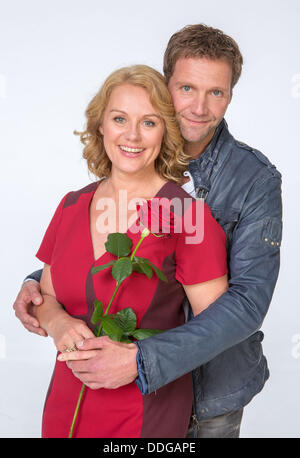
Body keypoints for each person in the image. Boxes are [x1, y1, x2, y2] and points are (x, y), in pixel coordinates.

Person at [14, 24, 282, 438]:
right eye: (187, 88)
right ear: (165, 85)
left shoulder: (251, 180)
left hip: (209, 388)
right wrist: (42, 295)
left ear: (231, 96)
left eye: (217, 92)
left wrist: (141, 361)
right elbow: (92, 258)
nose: (198, 106)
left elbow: (246, 303)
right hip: (96, 387)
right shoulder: (102, 183)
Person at [28, 64, 228, 438]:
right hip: (66, 402)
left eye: (149, 122)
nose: (132, 135)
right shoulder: (71, 206)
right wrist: (57, 323)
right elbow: (47, 296)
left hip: (143, 409)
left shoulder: (186, 214)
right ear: (101, 124)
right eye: (120, 118)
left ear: (166, 130)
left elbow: (217, 329)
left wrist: (139, 361)